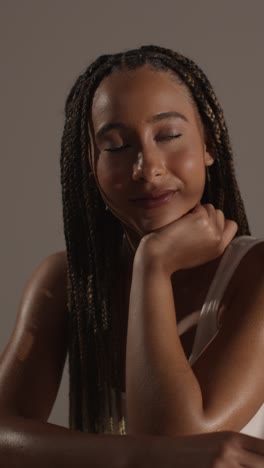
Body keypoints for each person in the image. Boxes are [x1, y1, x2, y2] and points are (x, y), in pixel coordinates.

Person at [0, 45, 264, 467]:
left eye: (169, 135)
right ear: (90, 163)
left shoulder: (256, 273)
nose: (148, 166)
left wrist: (153, 267)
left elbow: (175, 438)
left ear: (209, 145)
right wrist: (132, 457)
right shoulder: (66, 282)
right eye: (117, 145)